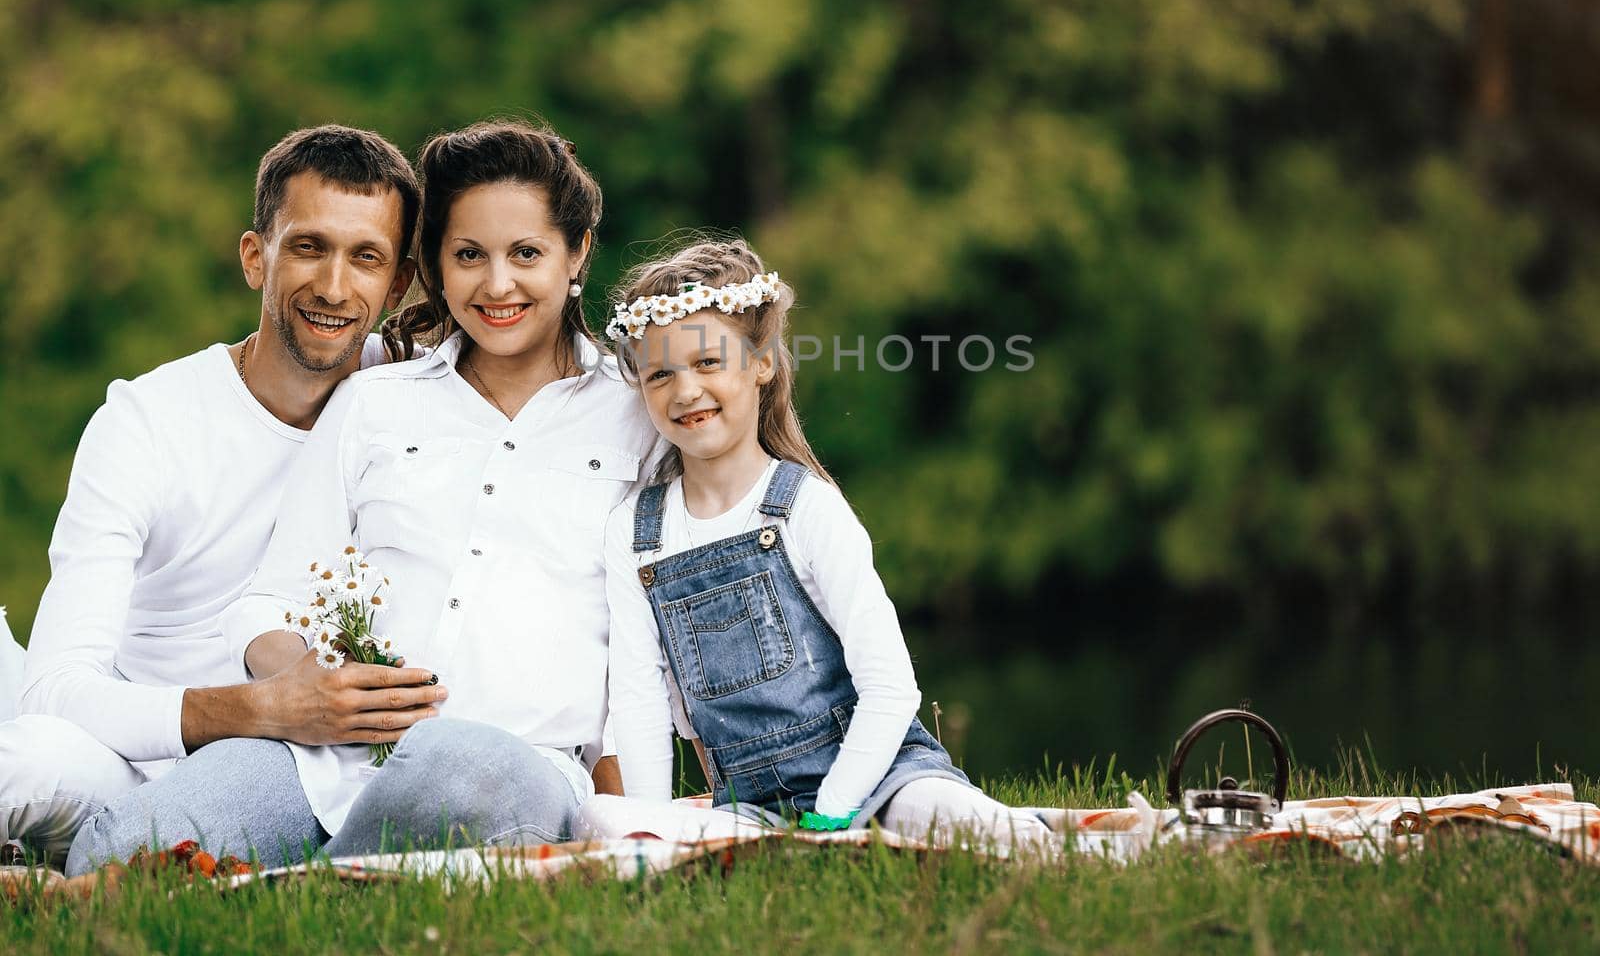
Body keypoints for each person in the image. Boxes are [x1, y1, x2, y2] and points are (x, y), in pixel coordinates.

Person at [68, 120, 660, 874]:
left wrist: (635, 803)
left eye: (527, 254)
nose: (498, 284)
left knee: (452, 771)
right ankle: (276, 881)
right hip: (323, 759)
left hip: (512, 762)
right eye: (468, 255)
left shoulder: (636, 415)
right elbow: (266, 604)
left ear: (576, 256)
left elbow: (650, 640)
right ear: (434, 268)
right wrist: (308, 680)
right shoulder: (374, 402)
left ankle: (274, 890)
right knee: (127, 844)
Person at [0, 125, 441, 866]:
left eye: (365, 258)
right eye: (308, 247)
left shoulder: (419, 402)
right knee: (27, 758)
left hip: (319, 775)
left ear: (397, 284)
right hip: (128, 755)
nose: (334, 287)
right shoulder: (146, 421)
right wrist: (262, 710)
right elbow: (57, 690)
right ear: (254, 257)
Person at [583, 239, 1055, 853]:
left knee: (948, 816)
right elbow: (640, 699)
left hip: (877, 781)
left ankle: (1077, 845)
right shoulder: (634, 532)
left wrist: (833, 813)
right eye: (660, 374)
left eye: (707, 363)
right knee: (603, 819)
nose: (685, 391)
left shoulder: (806, 505)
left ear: (760, 364)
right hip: (750, 806)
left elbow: (891, 687)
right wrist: (651, 831)